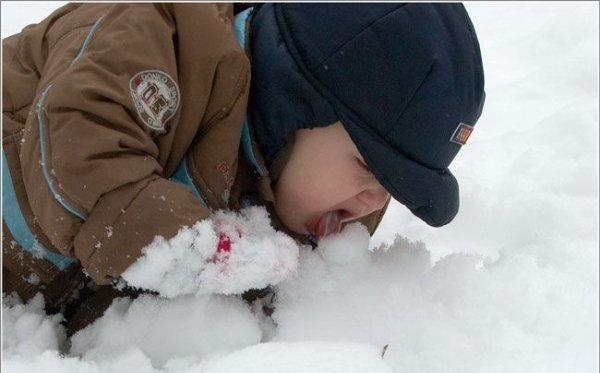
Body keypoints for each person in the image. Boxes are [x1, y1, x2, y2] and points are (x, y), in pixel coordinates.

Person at [2, 3, 485, 336]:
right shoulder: (159, 34)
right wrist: (204, 252)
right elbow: (76, 154)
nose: (375, 201)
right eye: (368, 167)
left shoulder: (291, 198)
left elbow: (118, 305)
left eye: (395, 188)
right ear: (294, 105)